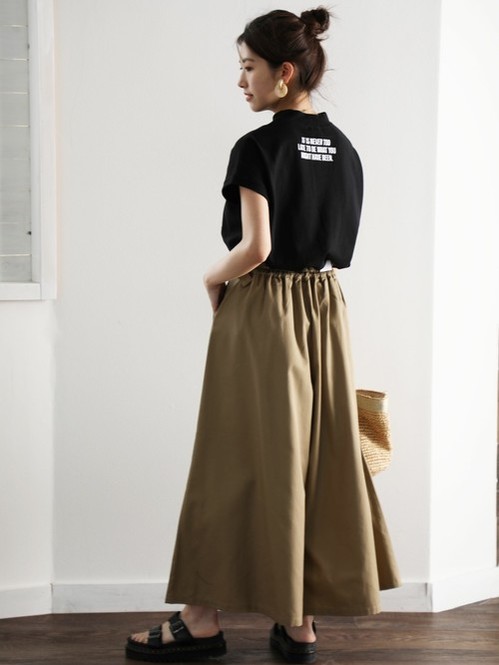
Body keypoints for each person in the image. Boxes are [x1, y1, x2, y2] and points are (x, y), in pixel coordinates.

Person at [126, 7, 400, 663]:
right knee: (314, 456)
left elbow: (256, 247)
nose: (240, 81)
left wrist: (210, 278)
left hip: (265, 306)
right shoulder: (345, 149)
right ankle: (299, 622)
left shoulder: (257, 148)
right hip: (324, 308)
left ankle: (200, 620)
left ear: (285, 73)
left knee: (234, 457)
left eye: (248, 67)